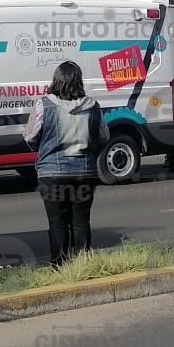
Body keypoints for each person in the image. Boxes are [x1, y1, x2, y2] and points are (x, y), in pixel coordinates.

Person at [24, 61, 109, 268]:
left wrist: (45, 146)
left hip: (51, 172)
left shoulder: (43, 104)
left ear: (56, 79)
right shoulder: (92, 106)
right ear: (79, 80)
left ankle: (59, 266)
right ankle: (81, 265)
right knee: (81, 221)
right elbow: (104, 136)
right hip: (85, 172)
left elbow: (30, 136)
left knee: (57, 222)